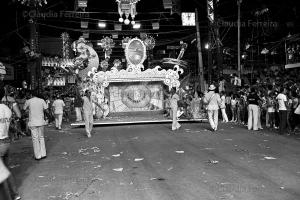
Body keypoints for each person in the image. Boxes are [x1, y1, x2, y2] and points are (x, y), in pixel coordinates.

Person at [0, 87, 21, 200]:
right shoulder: (7, 109)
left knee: (2, 174)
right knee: (6, 170)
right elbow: (18, 116)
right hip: (6, 141)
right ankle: (15, 194)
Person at [23, 91, 48, 160]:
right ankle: (43, 154)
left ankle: (38, 156)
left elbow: (24, 109)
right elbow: (46, 110)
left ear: (31, 95)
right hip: (41, 121)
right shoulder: (42, 100)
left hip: (33, 122)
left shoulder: (28, 101)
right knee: (41, 137)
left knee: (35, 138)